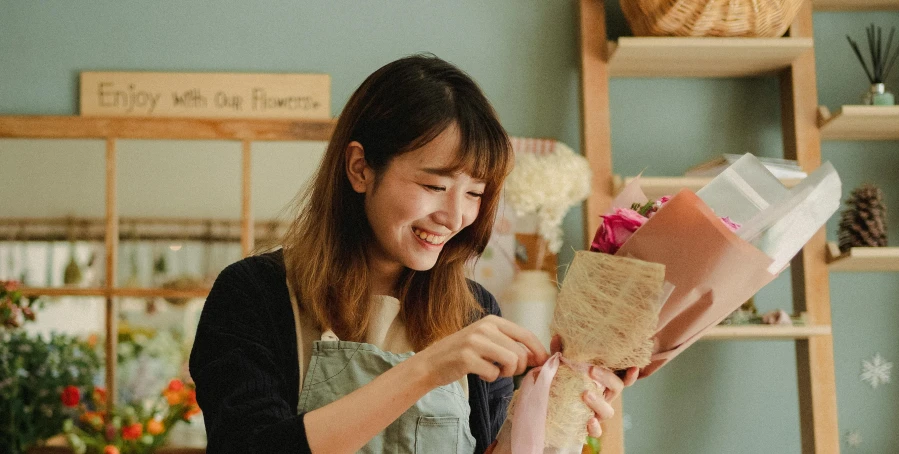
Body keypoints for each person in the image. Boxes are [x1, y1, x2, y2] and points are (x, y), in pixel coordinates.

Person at [189, 54, 636, 454]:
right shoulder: (253, 294)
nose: (455, 215)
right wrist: (427, 369)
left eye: (475, 193)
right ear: (360, 168)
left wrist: (542, 414)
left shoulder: (473, 312)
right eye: (434, 186)